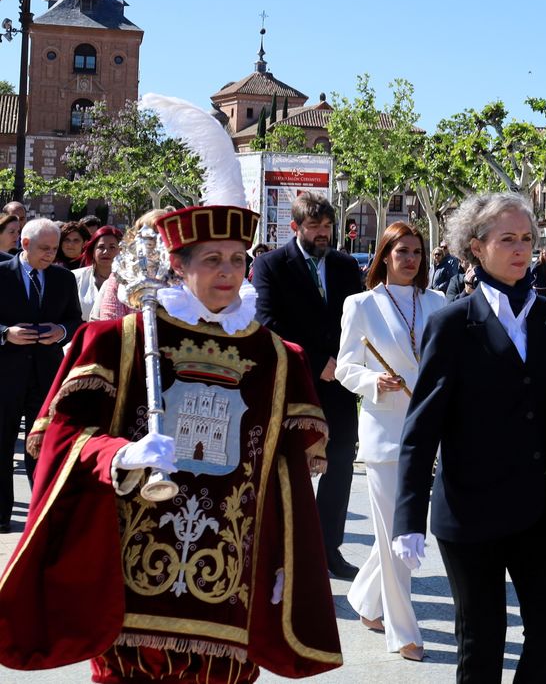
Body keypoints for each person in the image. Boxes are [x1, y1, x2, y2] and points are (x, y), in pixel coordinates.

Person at [0, 94, 342, 680]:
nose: (228, 272)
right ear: (179, 266)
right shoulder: (120, 341)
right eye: (212, 260)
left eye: (237, 259)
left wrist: (287, 559)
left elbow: (287, 475)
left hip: (229, 581)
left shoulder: (276, 358)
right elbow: (61, 438)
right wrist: (119, 454)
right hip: (134, 574)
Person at [392, 193, 546, 681]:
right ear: (476, 247)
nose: (521, 249)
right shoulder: (452, 323)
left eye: (527, 239)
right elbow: (421, 427)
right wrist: (408, 517)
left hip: (537, 509)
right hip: (470, 512)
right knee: (482, 643)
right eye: (507, 239)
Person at [336, 222, 445, 663]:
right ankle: (403, 630)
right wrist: (373, 381)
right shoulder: (360, 304)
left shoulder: (437, 301)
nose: (410, 259)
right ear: (384, 255)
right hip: (384, 433)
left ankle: (365, 598)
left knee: (395, 535)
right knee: (401, 535)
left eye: (417, 251)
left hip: (429, 433)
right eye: (402, 251)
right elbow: (345, 368)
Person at [253, 194, 365, 580]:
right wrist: (316, 363)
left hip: (340, 384)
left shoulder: (345, 265)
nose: (322, 233)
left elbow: (357, 320)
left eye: (327, 226)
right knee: (289, 465)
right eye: (314, 226)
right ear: (295, 227)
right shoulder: (270, 265)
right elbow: (268, 323)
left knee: (340, 464)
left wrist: (345, 362)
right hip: (295, 383)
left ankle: (328, 548)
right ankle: (284, 548)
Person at [0, 218, 83, 532]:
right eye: (44, 248)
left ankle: (42, 515)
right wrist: (6, 333)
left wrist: (60, 331)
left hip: (46, 376)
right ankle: (1, 516)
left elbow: (75, 320)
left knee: (42, 446)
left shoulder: (63, 278)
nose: (51, 254)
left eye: (54, 248)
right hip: (6, 376)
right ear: (25, 244)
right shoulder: (1, 274)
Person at [90, 209, 171, 323]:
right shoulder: (122, 278)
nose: (157, 244)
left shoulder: (187, 275)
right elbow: (111, 324)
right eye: (149, 238)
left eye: (163, 237)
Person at [71, 225, 123, 322]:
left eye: (112, 247)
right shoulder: (74, 277)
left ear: (121, 251)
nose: (106, 252)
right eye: (101, 247)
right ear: (93, 251)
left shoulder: (129, 281)